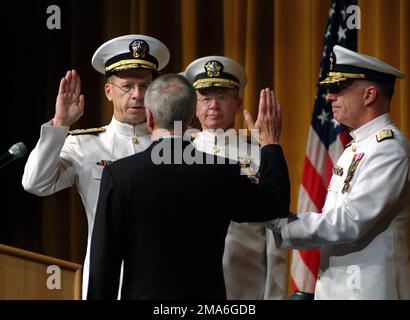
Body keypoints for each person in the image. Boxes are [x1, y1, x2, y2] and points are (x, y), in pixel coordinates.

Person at [87, 73, 290, 299]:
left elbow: (104, 264)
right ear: (191, 116)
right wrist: (270, 144)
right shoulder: (222, 172)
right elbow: (275, 204)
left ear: (150, 117)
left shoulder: (119, 174)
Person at [22, 34, 170, 298]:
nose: (137, 95)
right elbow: (35, 183)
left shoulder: (175, 147)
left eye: (145, 86)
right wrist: (59, 124)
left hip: (167, 283)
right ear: (108, 91)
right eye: (127, 86)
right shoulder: (85, 145)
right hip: (108, 282)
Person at [267, 45, 410, 299]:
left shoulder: (388, 149)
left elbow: (350, 221)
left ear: (369, 95)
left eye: (338, 88)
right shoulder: (357, 146)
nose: (329, 97)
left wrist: (281, 224)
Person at [183, 56, 289, 299]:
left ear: (239, 104)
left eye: (222, 97)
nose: (213, 106)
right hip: (190, 287)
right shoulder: (178, 154)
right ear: (194, 106)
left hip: (246, 286)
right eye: (206, 98)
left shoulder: (261, 154)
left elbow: (276, 230)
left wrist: (274, 294)